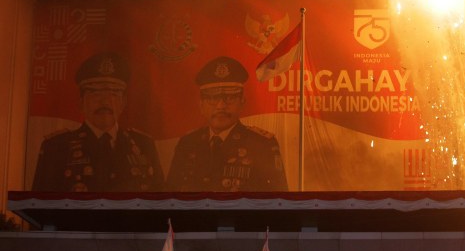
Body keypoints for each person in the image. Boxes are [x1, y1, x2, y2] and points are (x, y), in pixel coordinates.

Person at [31, 51, 164, 192]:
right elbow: (41, 205)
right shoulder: (56, 147)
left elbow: (161, 203)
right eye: (95, 93)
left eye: (113, 93)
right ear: (81, 102)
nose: (105, 101)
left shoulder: (144, 145)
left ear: (123, 102)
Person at [167, 56, 288, 192]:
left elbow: (277, 199)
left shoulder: (261, 144)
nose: (221, 106)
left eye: (229, 98)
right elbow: (170, 197)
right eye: (212, 98)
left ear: (242, 101)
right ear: (201, 105)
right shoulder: (187, 144)